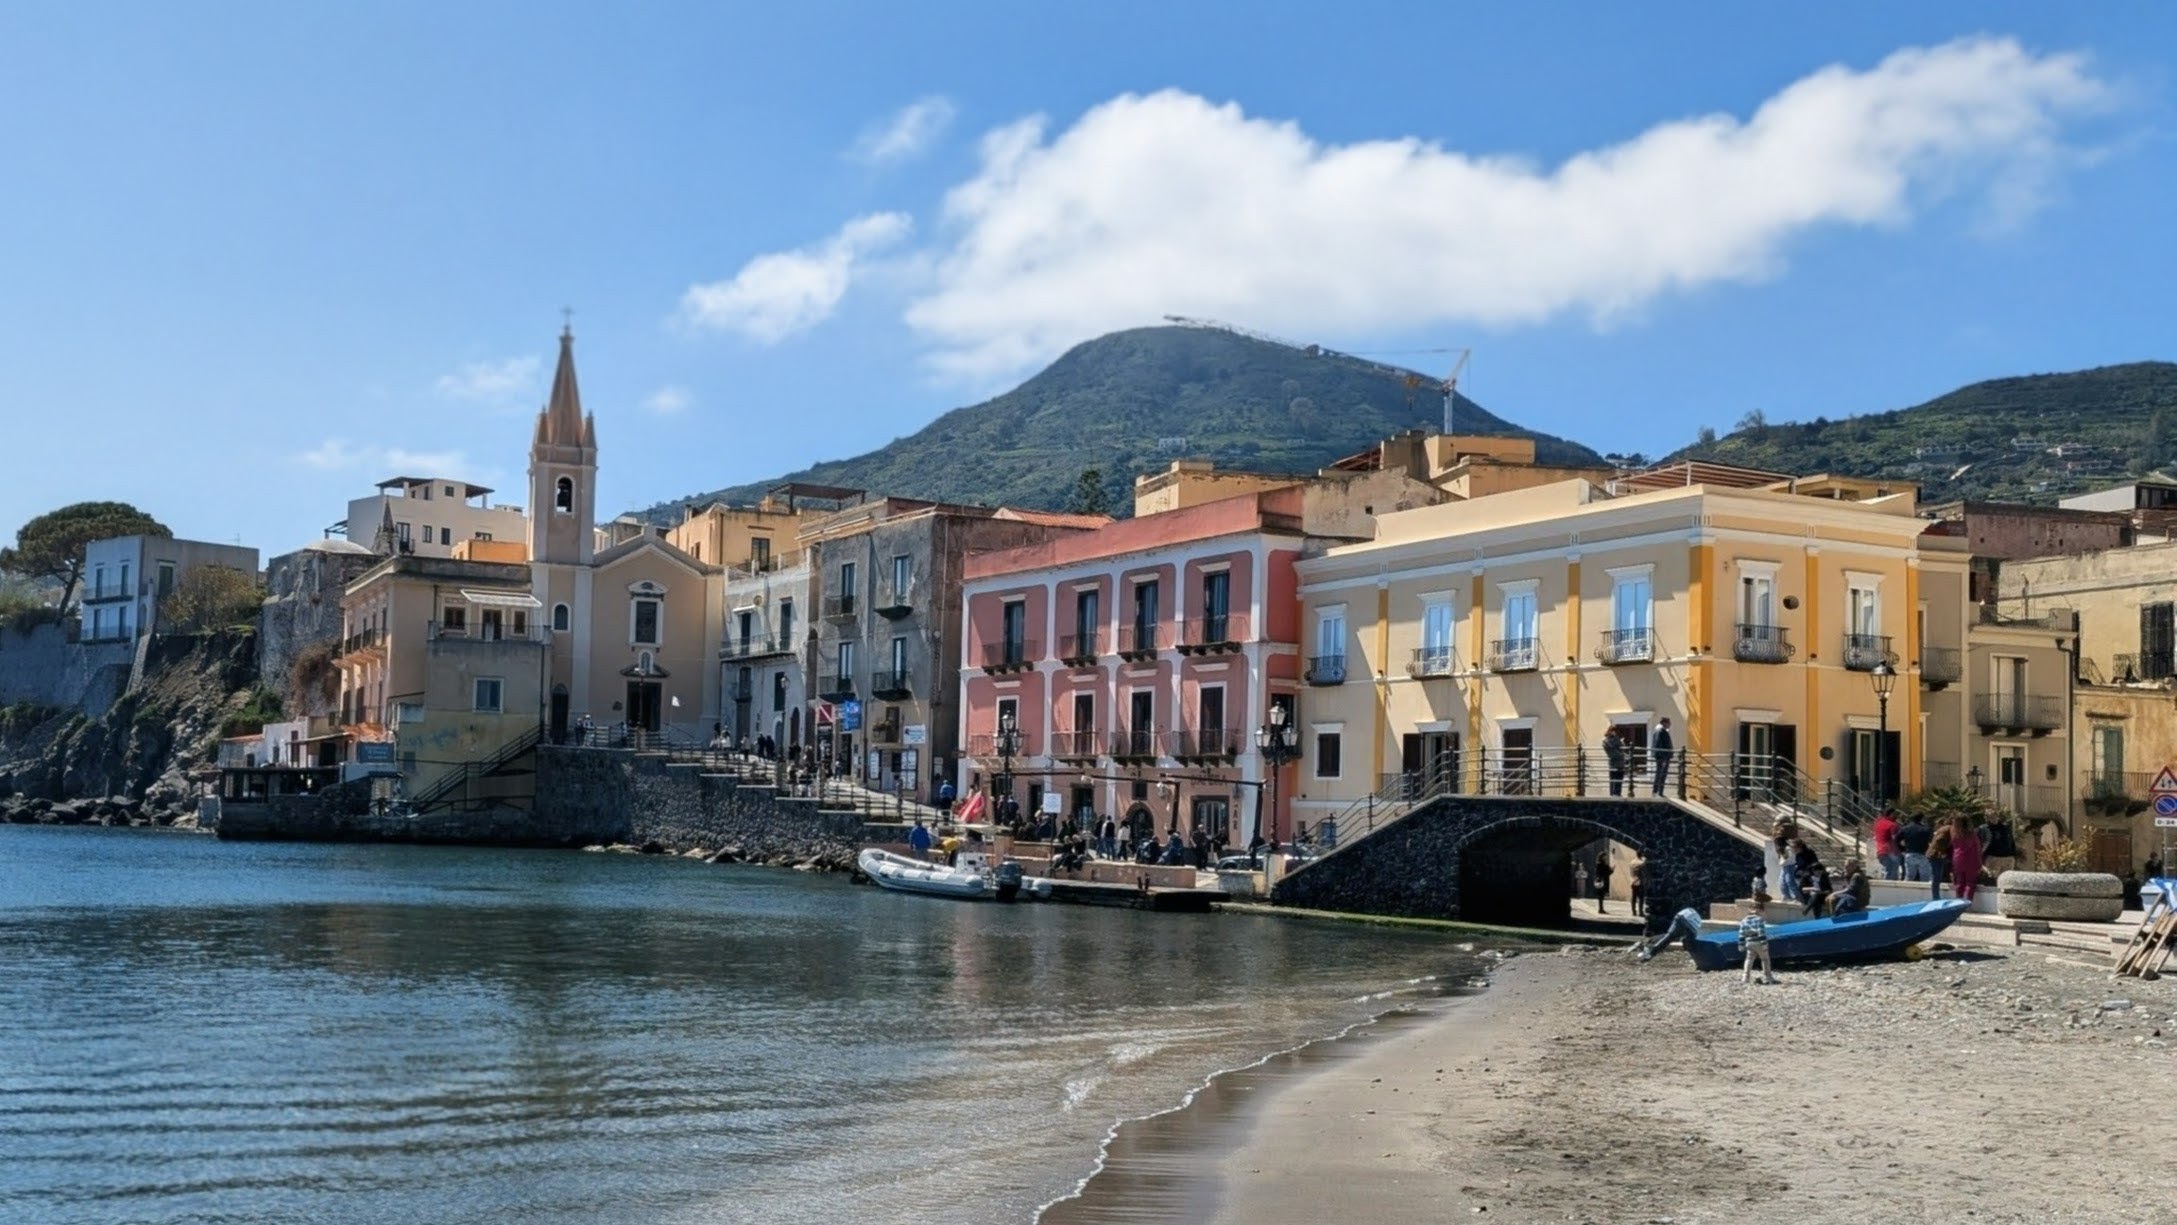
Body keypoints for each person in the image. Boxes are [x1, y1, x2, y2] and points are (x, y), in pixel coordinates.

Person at [1637, 906, 1705, 962]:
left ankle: (1650, 950)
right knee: (1671, 937)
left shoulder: (1692, 914)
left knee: (1670, 936)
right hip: (1686, 921)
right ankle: (1651, 950)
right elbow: (1692, 940)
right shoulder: (1696, 923)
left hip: (1681, 917)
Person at [1739, 895, 1778, 984]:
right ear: (1759, 911)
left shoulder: (1743, 921)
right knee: (1765, 959)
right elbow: (1761, 933)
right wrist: (1764, 944)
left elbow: (1741, 934)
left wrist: (1741, 945)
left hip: (1749, 942)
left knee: (1749, 959)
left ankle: (1745, 977)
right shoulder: (1759, 920)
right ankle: (1768, 977)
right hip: (1759, 942)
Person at [1950, 816, 1985, 902]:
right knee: (1970, 883)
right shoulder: (1972, 835)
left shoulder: (1955, 835)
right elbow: (1978, 849)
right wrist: (1980, 863)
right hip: (1971, 861)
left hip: (1958, 860)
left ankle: (1958, 902)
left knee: (1959, 883)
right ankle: (1966, 902)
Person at [1980, 812, 2019, 881]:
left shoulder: (2005, 827)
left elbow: (2011, 841)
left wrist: (2014, 855)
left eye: (1995, 816)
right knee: (1993, 879)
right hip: (1993, 857)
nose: (1993, 818)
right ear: (1987, 818)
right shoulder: (1984, 828)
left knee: (2007, 880)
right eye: (1990, 817)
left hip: (2008, 857)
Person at [1896, 811, 1934, 882]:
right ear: (1922, 819)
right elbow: (1931, 841)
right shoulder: (1926, 829)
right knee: (1925, 877)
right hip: (1923, 855)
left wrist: (1902, 850)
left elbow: (1896, 840)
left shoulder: (1905, 829)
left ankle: (1905, 892)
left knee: (1909, 877)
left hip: (1909, 854)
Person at [1872, 805, 1902, 881]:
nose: (1897, 816)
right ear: (1891, 814)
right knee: (1892, 871)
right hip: (1890, 852)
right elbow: (1896, 839)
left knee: (1887, 871)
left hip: (1880, 851)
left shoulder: (1878, 823)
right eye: (1895, 814)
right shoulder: (1893, 825)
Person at [1927, 818, 1954, 901]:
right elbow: (1940, 840)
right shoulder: (1949, 828)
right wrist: (1943, 852)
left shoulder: (1943, 828)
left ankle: (1936, 896)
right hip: (1936, 855)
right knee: (1937, 876)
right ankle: (1935, 897)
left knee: (1938, 876)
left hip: (1933, 854)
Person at [1649, 719, 1674, 795]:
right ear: (1664, 723)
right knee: (1661, 774)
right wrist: (1663, 757)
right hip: (1663, 757)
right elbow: (1659, 744)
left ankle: (1658, 791)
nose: (1669, 725)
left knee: (1660, 774)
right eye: (1669, 723)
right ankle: (1658, 791)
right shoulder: (1660, 731)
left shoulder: (1661, 730)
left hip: (1662, 756)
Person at [1602, 727, 1627, 797]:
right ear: (1611, 731)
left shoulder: (1613, 739)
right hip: (1616, 762)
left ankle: (1615, 793)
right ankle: (1615, 793)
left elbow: (1621, 748)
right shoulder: (1609, 740)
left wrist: (1621, 743)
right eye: (1614, 731)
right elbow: (1615, 750)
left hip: (1617, 762)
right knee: (1616, 778)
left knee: (1616, 779)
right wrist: (1621, 753)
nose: (1615, 733)